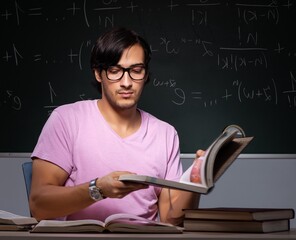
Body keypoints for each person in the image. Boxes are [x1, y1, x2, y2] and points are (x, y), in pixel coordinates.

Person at [30, 27, 201, 226]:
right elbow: (39, 205)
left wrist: (196, 181)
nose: (126, 82)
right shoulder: (67, 120)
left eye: (136, 71)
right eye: (115, 71)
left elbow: (171, 218)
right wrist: (98, 189)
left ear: (145, 75)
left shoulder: (165, 134)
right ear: (98, 74)